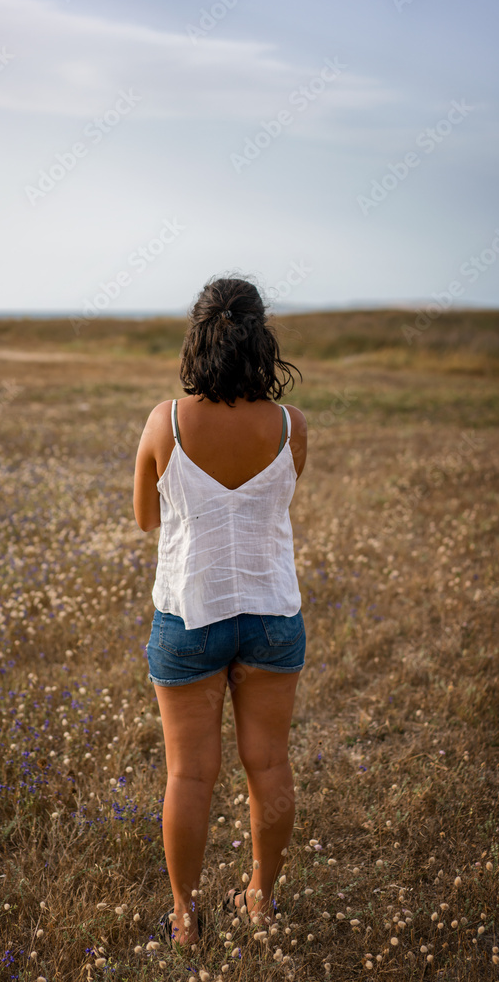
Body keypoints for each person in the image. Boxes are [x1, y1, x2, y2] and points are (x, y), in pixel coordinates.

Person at [132, 275, 307, 949]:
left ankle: (184, 917)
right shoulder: (291, 425)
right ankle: (259, 899)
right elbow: (275, 502)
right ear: (262, 340)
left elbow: (145, 518)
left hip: (190, 613)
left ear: (197, 338)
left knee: (189, 774)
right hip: (271, 613)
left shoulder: (166, 421)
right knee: (269, 765)